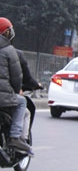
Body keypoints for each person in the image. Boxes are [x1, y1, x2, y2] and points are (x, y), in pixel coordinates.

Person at [0, 17, 32, 154]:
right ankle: (14, 137)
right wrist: (16, 90)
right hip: (3, 98)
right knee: (22, 102)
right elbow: (16, 78)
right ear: (7, 33)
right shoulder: (9, 50)